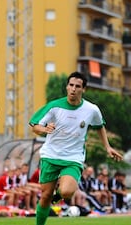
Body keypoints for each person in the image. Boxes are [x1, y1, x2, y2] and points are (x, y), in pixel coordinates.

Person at [28, 71, 123, 225]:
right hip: (50, 156)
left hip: (73, 158)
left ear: (83, 89)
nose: (73, 89)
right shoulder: (54, 106)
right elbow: (35, 125)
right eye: (71, 85)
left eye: (77, 86)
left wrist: (107, 147)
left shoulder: (91, 110)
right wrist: (44, 129)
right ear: (67, 87)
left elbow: (100, 126)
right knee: (45, 197)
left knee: (66, 192)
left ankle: (58, 196)